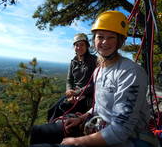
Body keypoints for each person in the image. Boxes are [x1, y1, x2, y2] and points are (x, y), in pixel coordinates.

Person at [30, 11, 158, 147]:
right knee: (35, 132)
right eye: (100, 36)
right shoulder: (99, 70)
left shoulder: (130, 72)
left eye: (111, 38)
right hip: (97, 126)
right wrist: (81, 118)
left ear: (120, 41)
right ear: (94, 39)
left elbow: (121, 130)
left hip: (126, 140)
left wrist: (76, 141)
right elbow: (100, 105)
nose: (104, 42)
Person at [47, 33, 97, 122]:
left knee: (62, 108)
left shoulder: (94, 61)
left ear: (87, 46)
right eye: (76, 45)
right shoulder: (73, 62)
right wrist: (69, 90)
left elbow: (95, 83)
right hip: (74, 93)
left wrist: (77, 92)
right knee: (51, 110)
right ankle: (50, 129)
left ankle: (55, 130)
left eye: (82, 44)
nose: (79, 47)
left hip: (87, 95)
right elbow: (69, 80)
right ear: (74, 47)